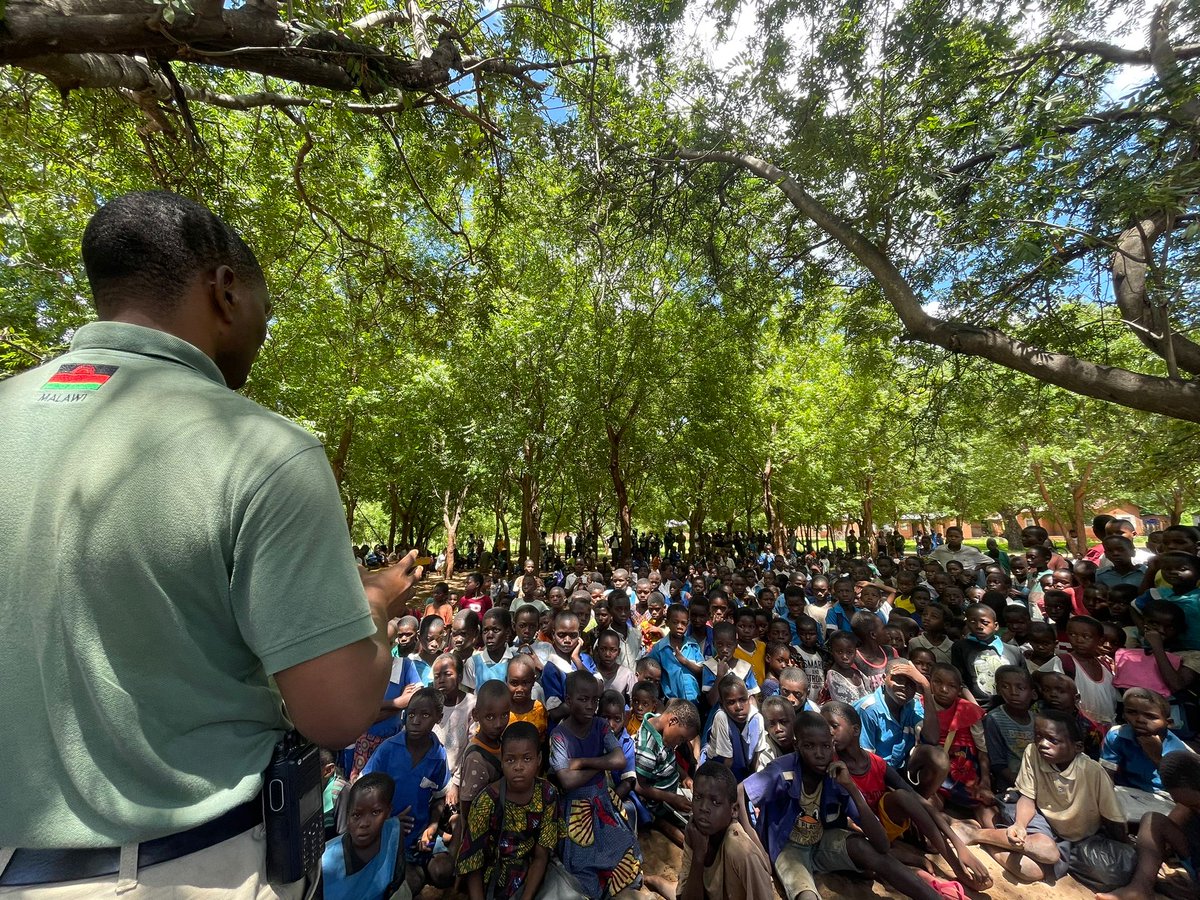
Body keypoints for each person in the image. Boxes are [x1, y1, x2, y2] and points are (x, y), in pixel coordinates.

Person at [0, 192, 423, 895]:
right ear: (225, 290)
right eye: (267, 308)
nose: (265, 330)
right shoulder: (265, 452)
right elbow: (338, 712)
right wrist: (374, 601)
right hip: (184, 868)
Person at [739, 711, 945, 900]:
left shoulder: (836, 777)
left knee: (868, 850)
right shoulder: (782, 771)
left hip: (822, 841)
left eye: (826, 746)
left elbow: (882, 844)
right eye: (810, 746)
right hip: (788, 848)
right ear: (797, 746)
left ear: (832, 746)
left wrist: (851, 788)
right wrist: (760, 850)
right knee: (804, 893)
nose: (819, 754)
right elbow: (742, 792)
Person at [960, 709, 1128, 883]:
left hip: (1074, 838)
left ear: (1077, 747)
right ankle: (976, 834)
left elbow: (1113, 818)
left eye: (1053, 740)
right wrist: (1020, 825)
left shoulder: (1093, 772)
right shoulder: (1033, 752)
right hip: (1040, 819)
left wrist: (1124, 844)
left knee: (1030, 871)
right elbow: (1028, 797)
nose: (1043, 743)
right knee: (1046, 850)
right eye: (1038, 736)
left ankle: (983, 836)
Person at [548, 671, 643, 896]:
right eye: (583, 700)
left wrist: (581, 762)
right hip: (576, 813)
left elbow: (619, 760)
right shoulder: (559, 736)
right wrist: (603, 764)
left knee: (624, 854)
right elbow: (567, 781)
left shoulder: (600, 726)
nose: (590, 706)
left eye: (594, 700)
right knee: (584, 870)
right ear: (568, 701)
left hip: (603, 803)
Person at [456, 722, 559, 900]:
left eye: (527, 759)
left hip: (532, 875)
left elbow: (541, 856)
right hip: (494, 878)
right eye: (511, 760)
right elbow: (474, 862)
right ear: (502, 761)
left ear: (539, 759)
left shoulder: (548, 794)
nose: (518, 767)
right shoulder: (486, 800)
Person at [1095, 751, 1200, 900]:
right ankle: (1140, 889)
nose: (1195, 809)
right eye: (1188, 805)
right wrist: (1159, 854)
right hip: (1195, 857)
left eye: (1195, 804)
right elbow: (1175, 822)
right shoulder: (1188, 800)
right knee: (1153, 820)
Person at [670, 762, 775, 900]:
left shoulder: (741, 850)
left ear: (734, 810)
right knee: (666, 887)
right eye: (698, 797)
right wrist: (698, 855)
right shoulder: (694, 830)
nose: (703, 808)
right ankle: (653, 880)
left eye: (715, 802)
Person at [320, 773, 407, 900]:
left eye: (375, 812)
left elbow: (396, 884)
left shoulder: (393, 834)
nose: (364, 824)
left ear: (388, 812)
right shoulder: (325, 861)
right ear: (347, 816)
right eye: (356, 815)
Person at [634, 698, 702, 847]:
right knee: (688, 838)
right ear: (672, 721)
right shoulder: (648, 746)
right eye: (682, 738)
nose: (680, 743)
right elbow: (639, 786)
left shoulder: (664, 731)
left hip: (671, 795)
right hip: (657, 805)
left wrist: (684, 776)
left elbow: (667, 759)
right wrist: (672, 799)